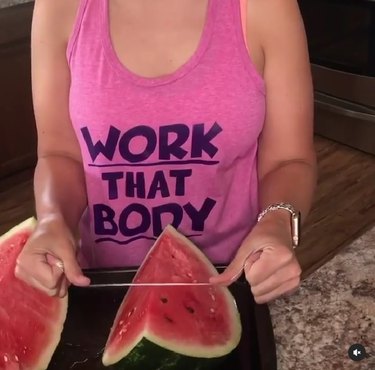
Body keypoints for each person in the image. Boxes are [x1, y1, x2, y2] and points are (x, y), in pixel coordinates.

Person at [15, 0, 317, 304]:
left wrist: (277, 222)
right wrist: (53, 219)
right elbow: (60, 153)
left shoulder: (267, 7)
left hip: (234, 280)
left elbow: (289, 160)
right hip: (103, 286)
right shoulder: (59, 7)